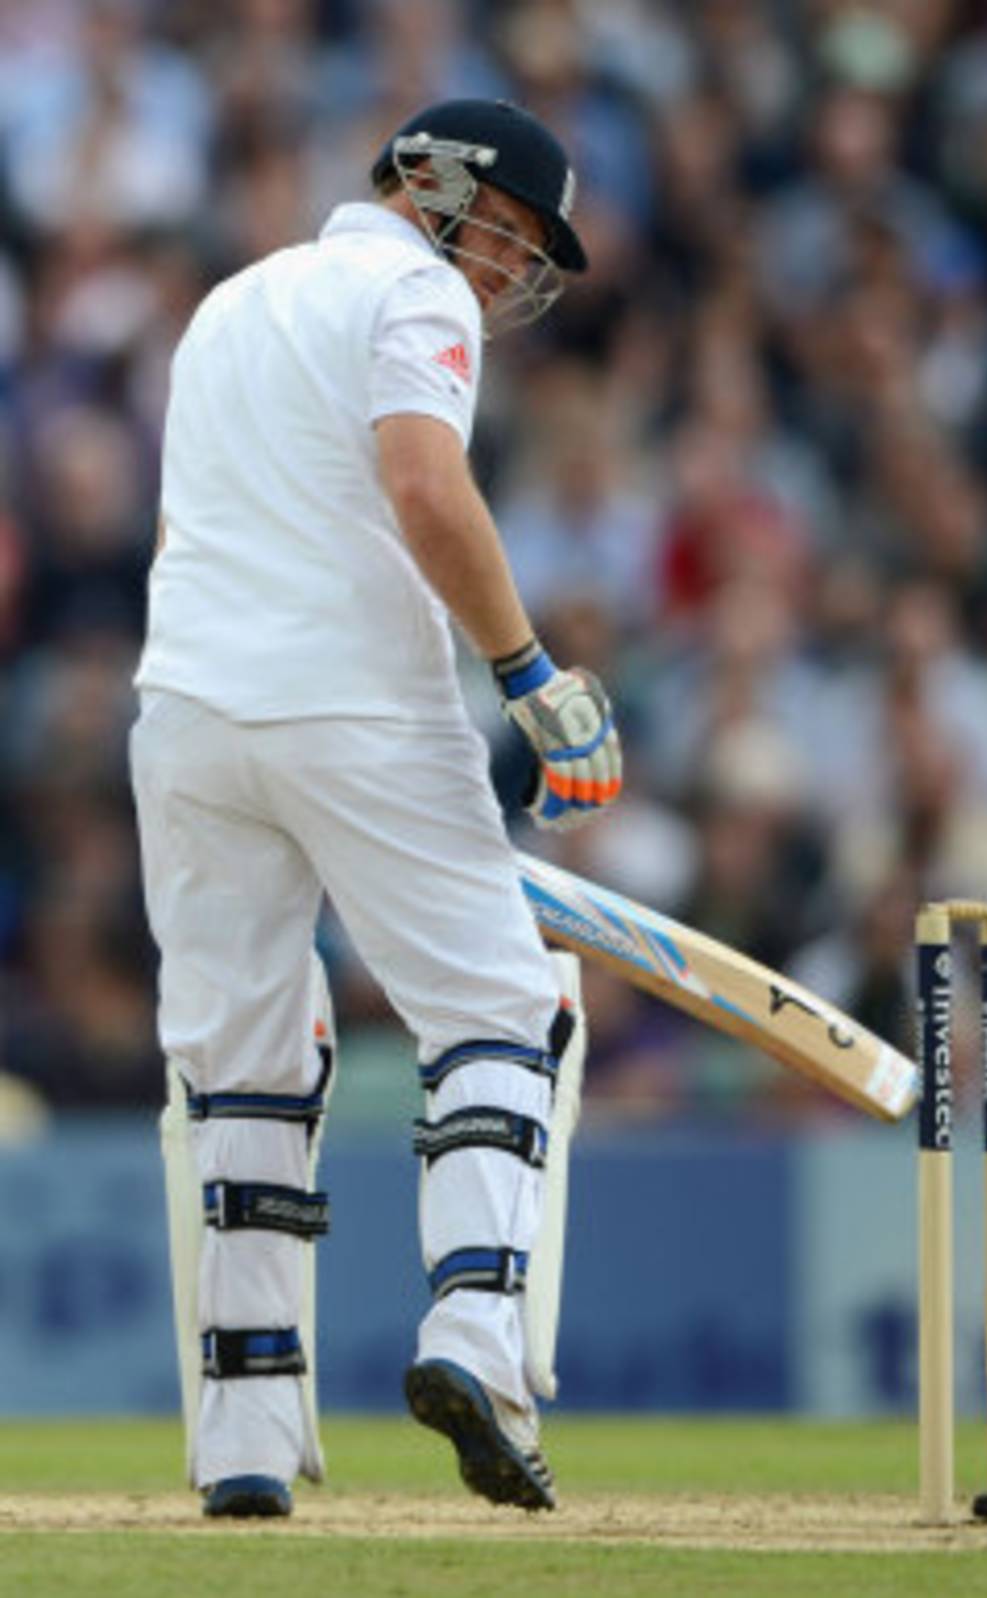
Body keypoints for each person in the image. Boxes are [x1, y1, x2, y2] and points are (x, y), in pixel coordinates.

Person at [129, 99, 622, 1519]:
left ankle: (244, 1434)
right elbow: (425, 481)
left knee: (243, 1057)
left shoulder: (228, 302)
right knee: (500, 1007)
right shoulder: (410, 289)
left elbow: (183, 533)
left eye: (532, 243)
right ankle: (472, 1333)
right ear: (429, 180)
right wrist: (531, 676)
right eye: (513, 225)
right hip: (355, 705)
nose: (514, 262)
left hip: (191, 714)